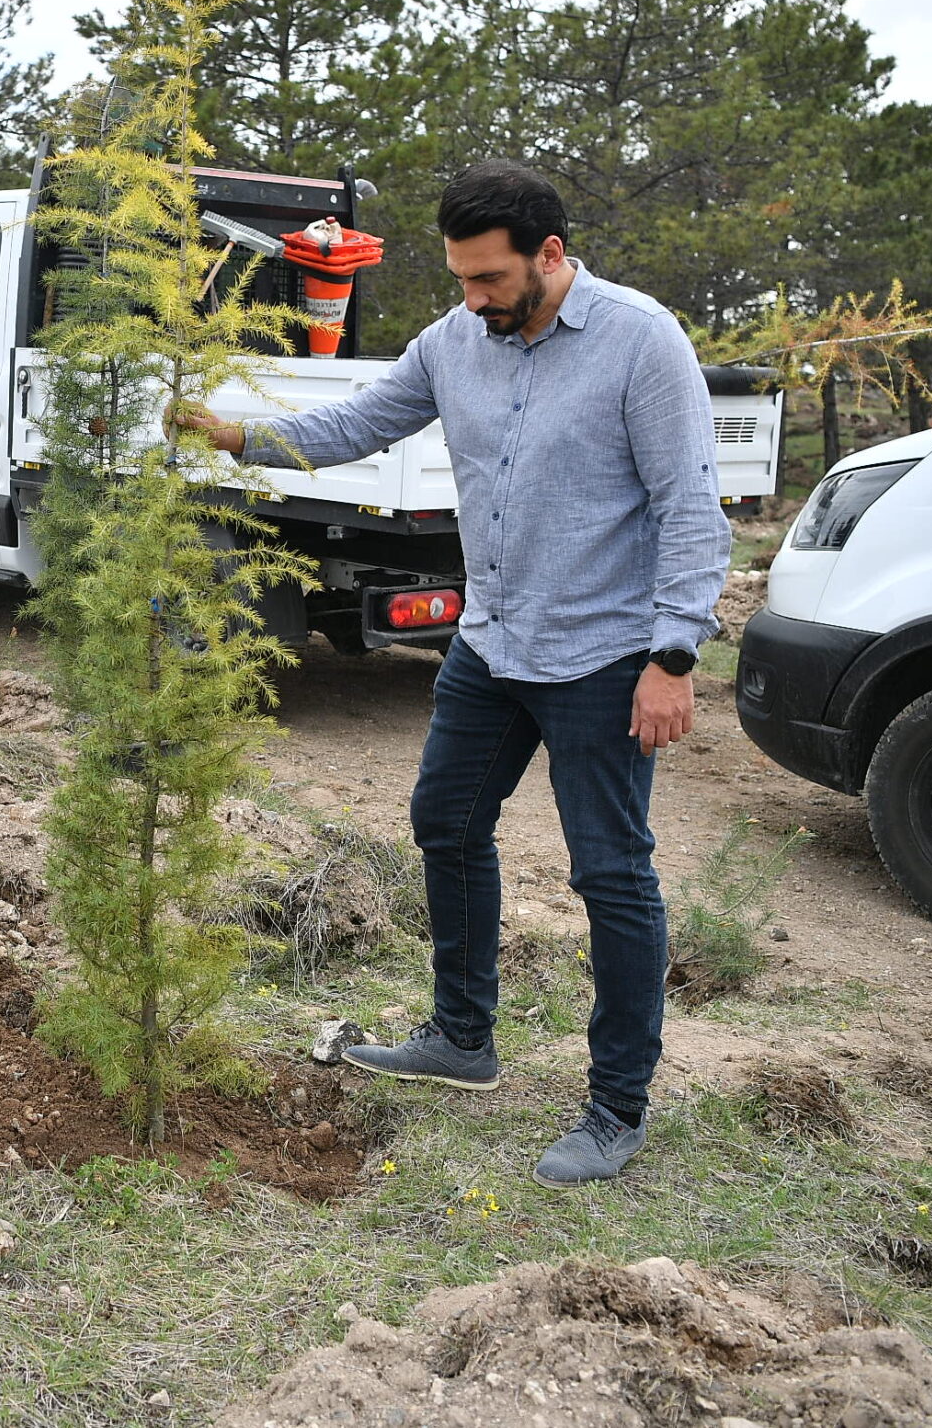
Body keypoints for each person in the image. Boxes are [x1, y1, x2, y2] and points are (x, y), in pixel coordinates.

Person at [173, 160, 729, 1187]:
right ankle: (460, 1038)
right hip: (492, 640)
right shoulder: (452, 341)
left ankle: (616, 1106)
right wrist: (241, 437)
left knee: (610, 874)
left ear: (549, 256)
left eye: (488, 280)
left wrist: (672, 654)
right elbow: (357, 425)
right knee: (445, 820)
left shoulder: (640, 342)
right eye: (461, 279)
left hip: (604, 656)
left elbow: (691, 505)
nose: (471, 301)